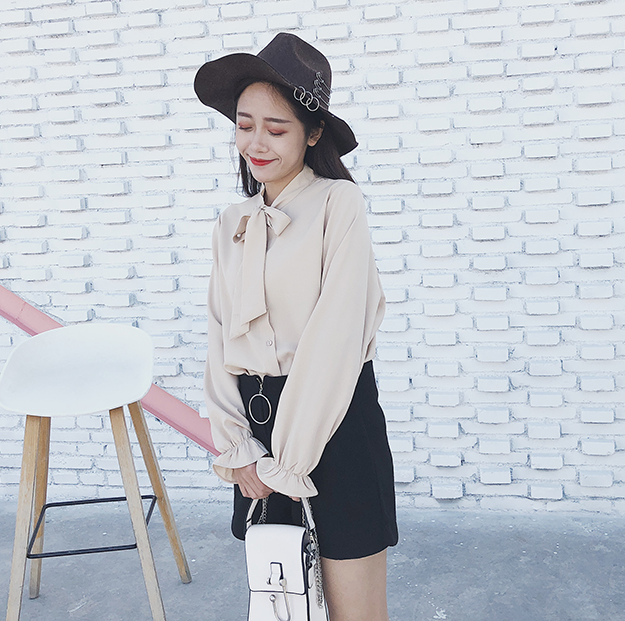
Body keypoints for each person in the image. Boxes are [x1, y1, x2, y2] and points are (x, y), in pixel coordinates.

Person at [195, 33, 398, 621]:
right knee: (283, 607)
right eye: (244, 125)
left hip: (332, 424)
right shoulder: (231, 223)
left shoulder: (339, 205)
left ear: (312, 134)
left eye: (276, 129)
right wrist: (236, 446)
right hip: (257, 435)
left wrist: (289, 461)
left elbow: (336, 341)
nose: (255, 143)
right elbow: (219, 338)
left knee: (356, 612)